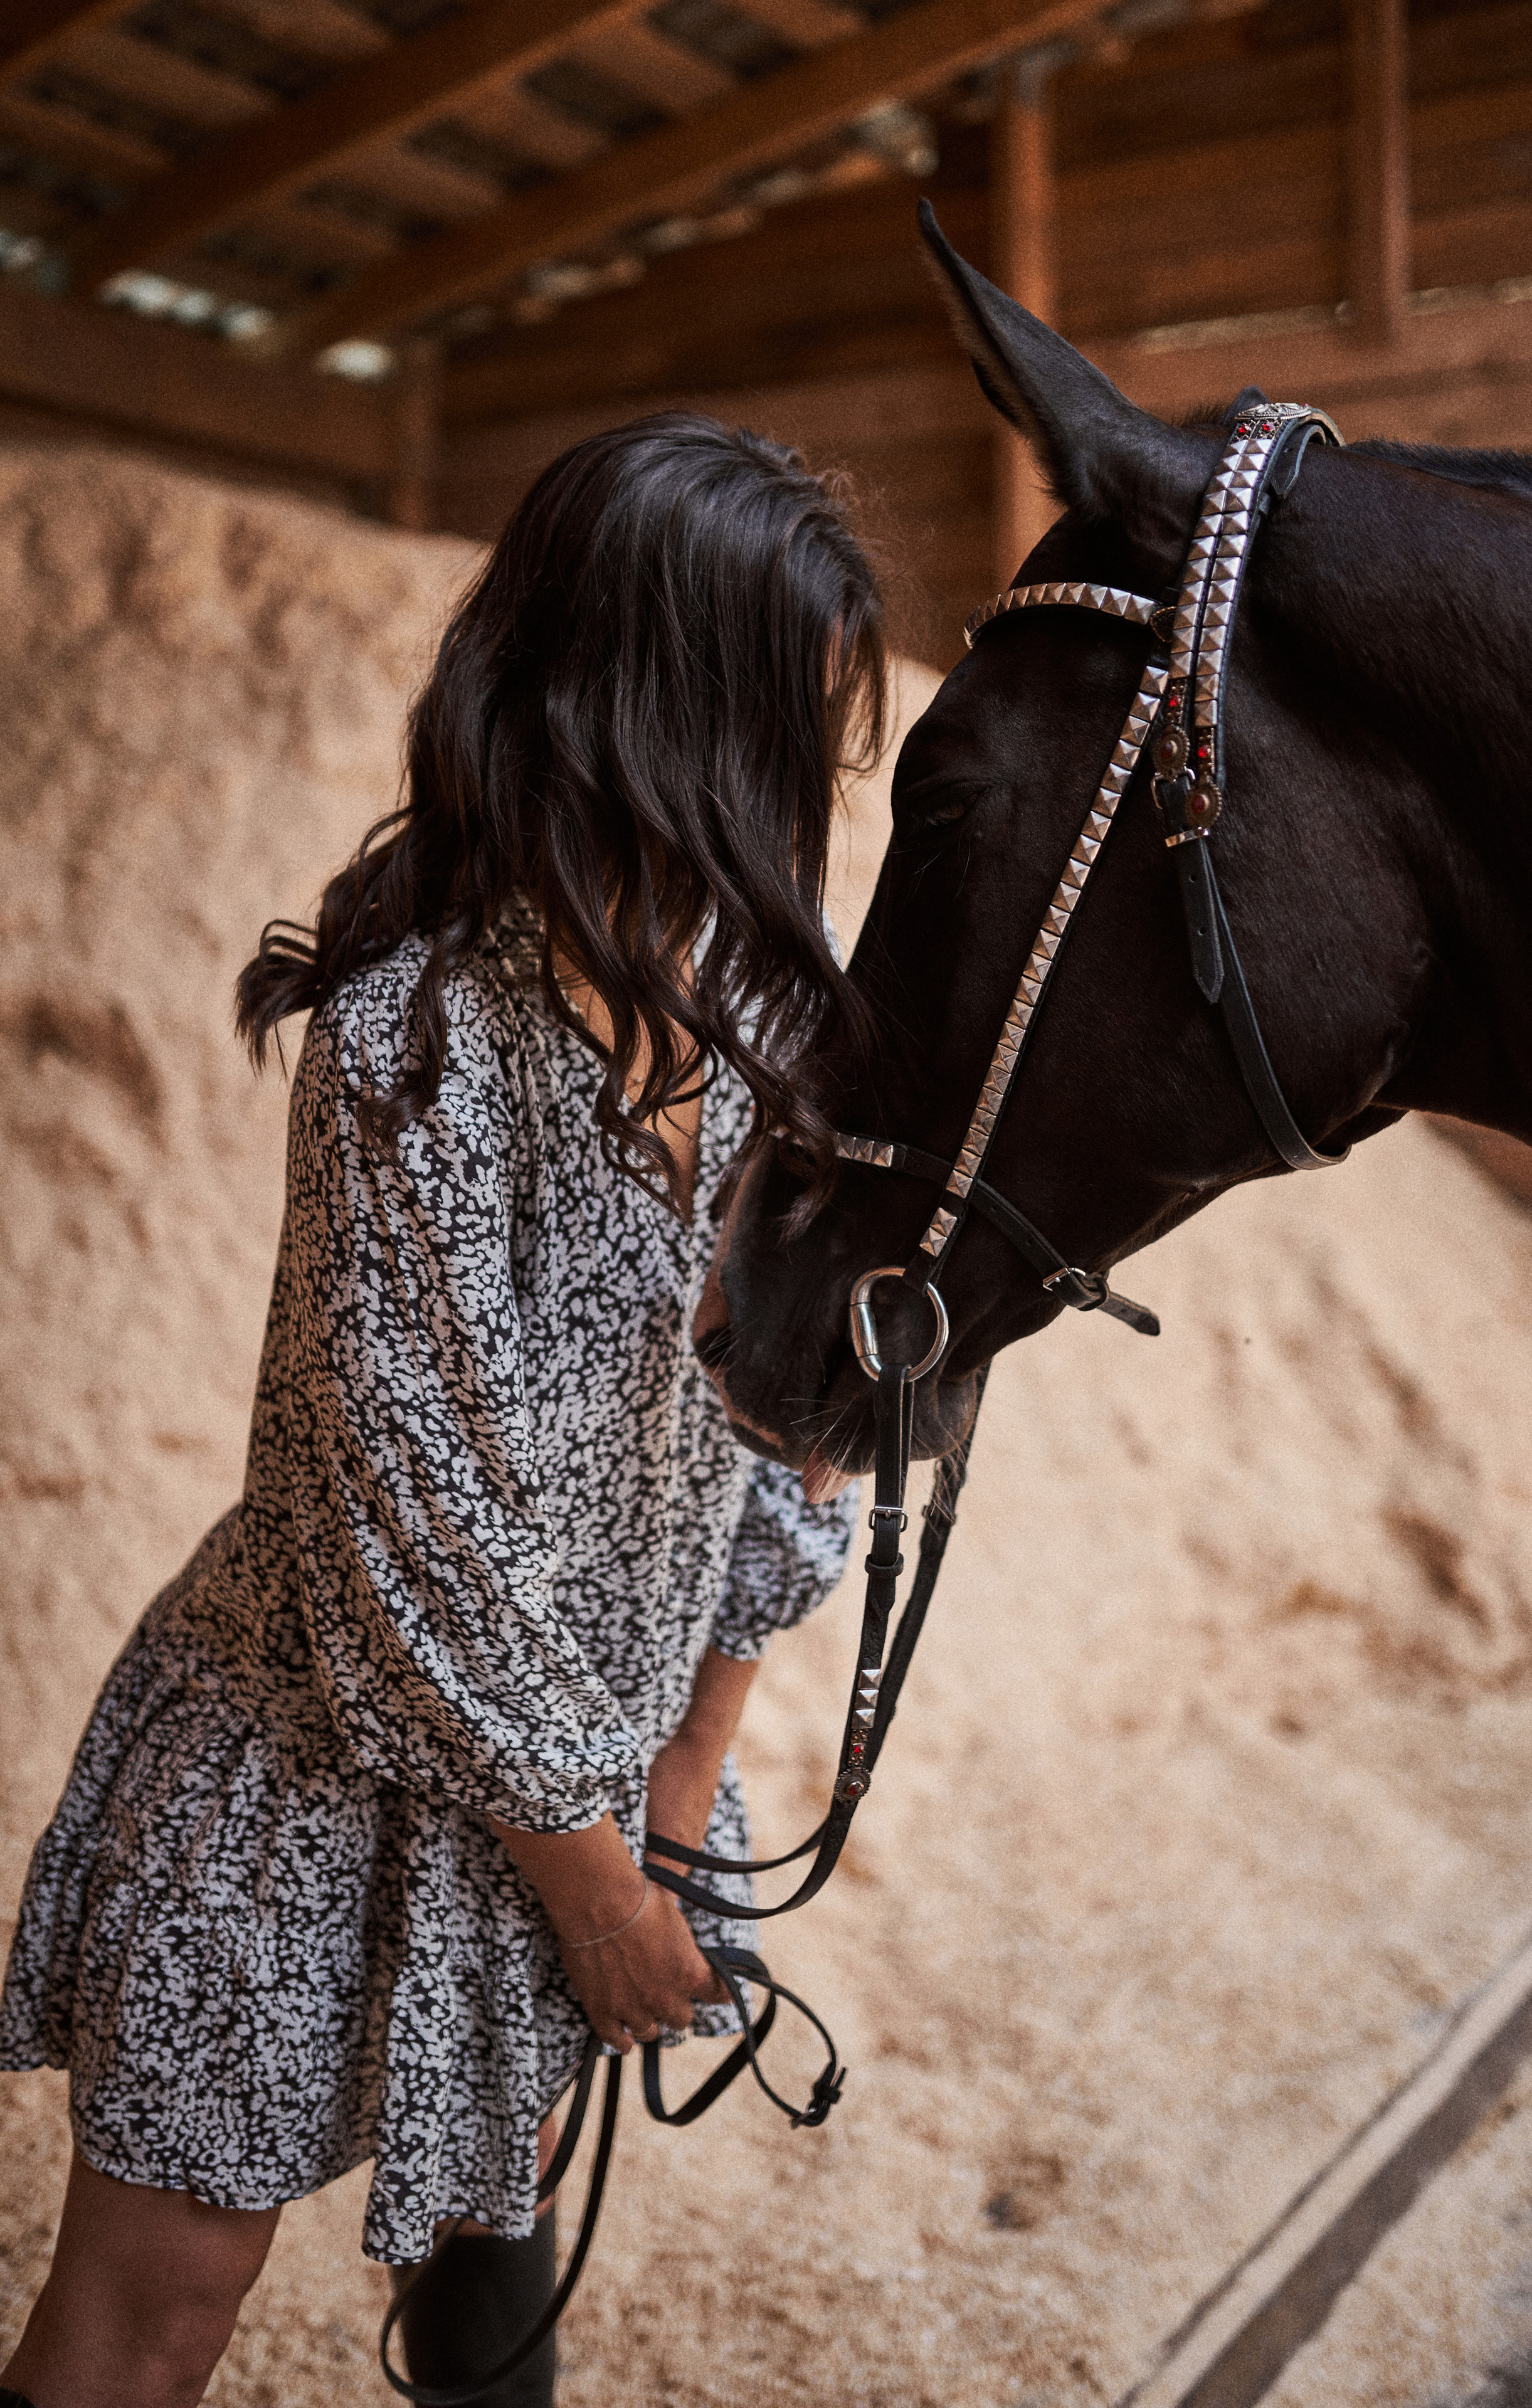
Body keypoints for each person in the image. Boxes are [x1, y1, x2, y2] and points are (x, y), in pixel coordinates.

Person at [0, 414, 885, 2408]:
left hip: (599, 1784)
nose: (806, 792)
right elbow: (409, 1521)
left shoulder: (766, 1054)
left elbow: (789, 1446)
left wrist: (676, 1793)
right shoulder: (414, 1048)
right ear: (660, 713)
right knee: (160, 2303)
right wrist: (594, 1880)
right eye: (783, 727)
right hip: (301, 1769)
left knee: (510, 2245)